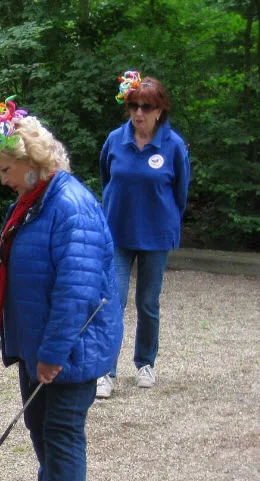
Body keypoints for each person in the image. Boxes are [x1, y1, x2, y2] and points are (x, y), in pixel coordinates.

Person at [0, 93, 122, 481]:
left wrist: (54, 353)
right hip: (39, 342)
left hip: (69, 345)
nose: (2, 180)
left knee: (59, 431)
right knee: (40, 425)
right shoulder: (37, 201)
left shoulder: (69, 206)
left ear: (28, 160)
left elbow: (75, 292)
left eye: (3, 169)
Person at [96, 72, 190, 398]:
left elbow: (180, 194)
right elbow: (106, 179)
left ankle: (145, 363)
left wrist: (166, 224)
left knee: (148, 303)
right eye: (134, 105)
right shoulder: (114, 140)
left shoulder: (173, 146)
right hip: (118, 234)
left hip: (156, 236)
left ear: (159, 110)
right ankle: (105, 371)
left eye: (146, 107)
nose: (139, 113)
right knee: (112, 301)